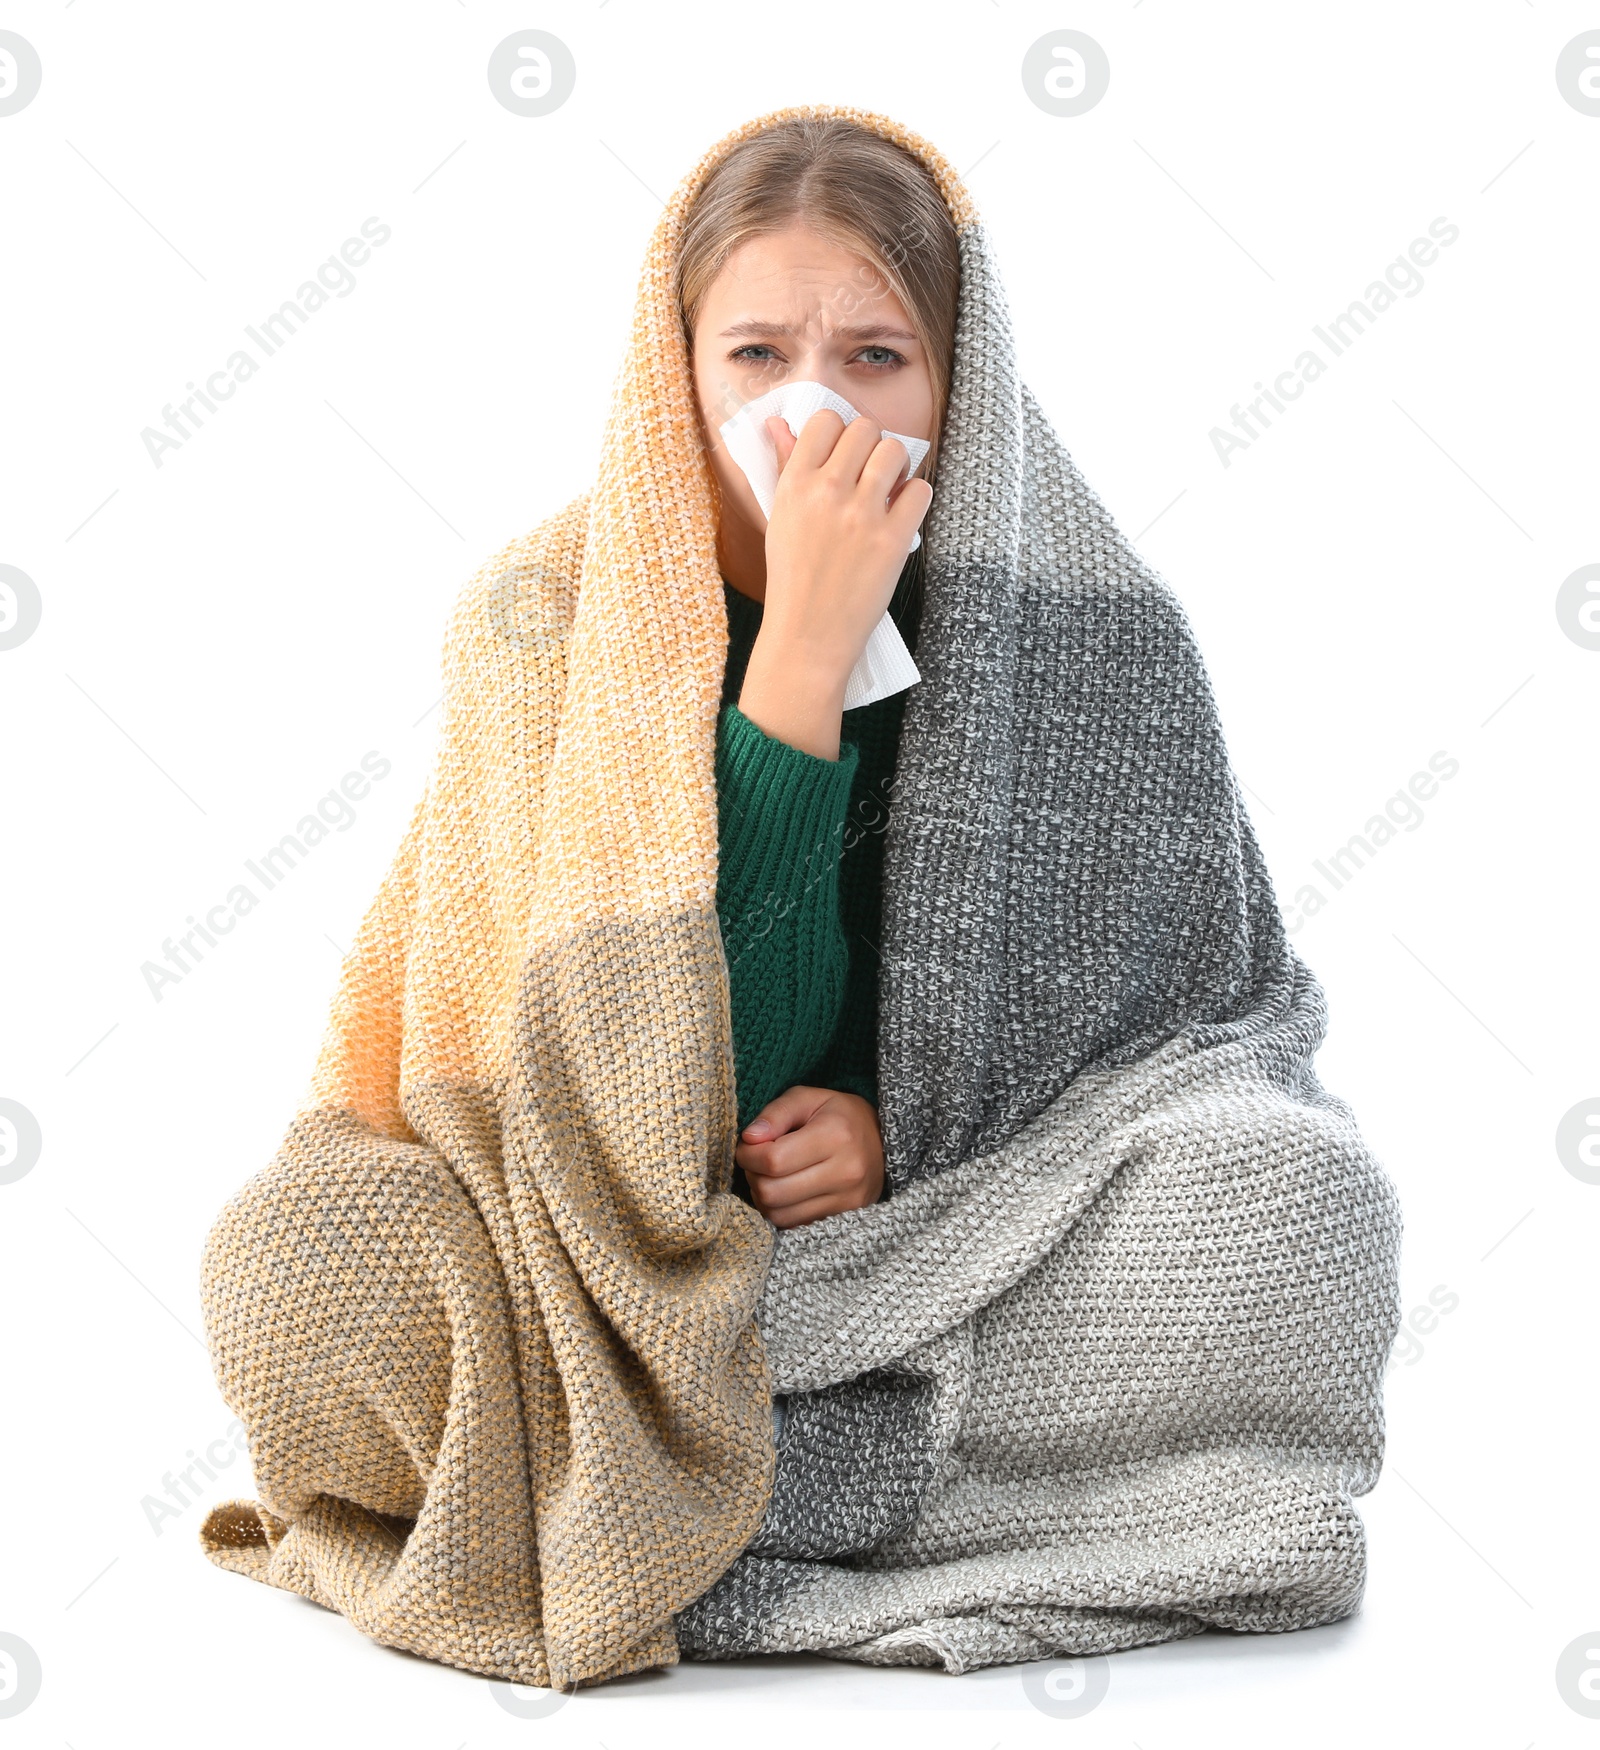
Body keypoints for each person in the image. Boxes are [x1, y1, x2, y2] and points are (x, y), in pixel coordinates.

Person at [677, 116, 958, 1228]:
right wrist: (803, 640)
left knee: (1286, 1185)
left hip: (955, 1206)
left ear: (956, 382)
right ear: (677, 372)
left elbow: (1143, 1038)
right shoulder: (545, 622)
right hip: (607, 1217)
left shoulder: (1077, 636)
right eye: (756, 355)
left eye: (874, 358)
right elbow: (687, 1090)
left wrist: (895, 1127)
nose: (811, 411)